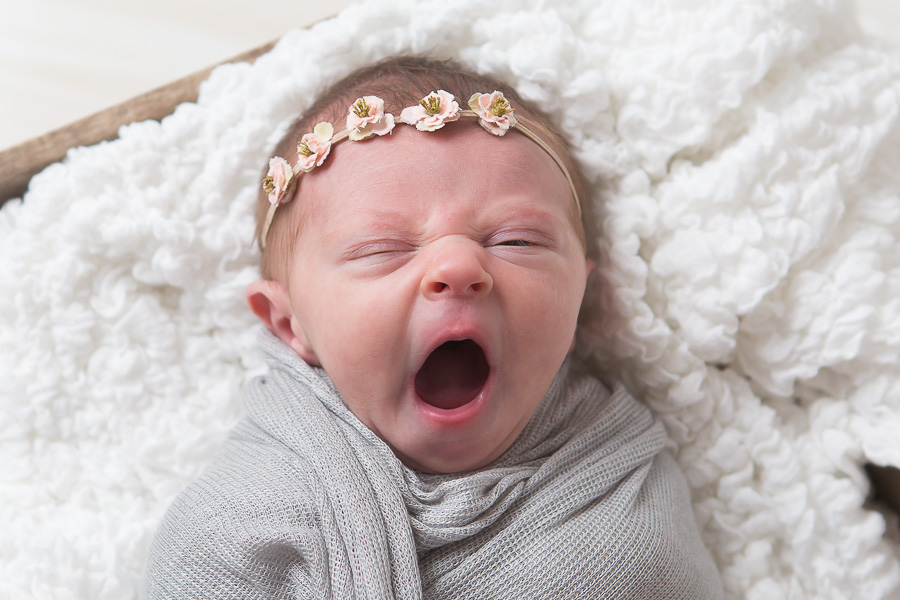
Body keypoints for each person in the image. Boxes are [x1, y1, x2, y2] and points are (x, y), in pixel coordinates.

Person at [142, 56, 724, 599]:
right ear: (290, 324)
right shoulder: (244, 512)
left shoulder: (622, 498)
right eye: (382, 249)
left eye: (516, 241)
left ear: (579, 297)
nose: (457, 267)